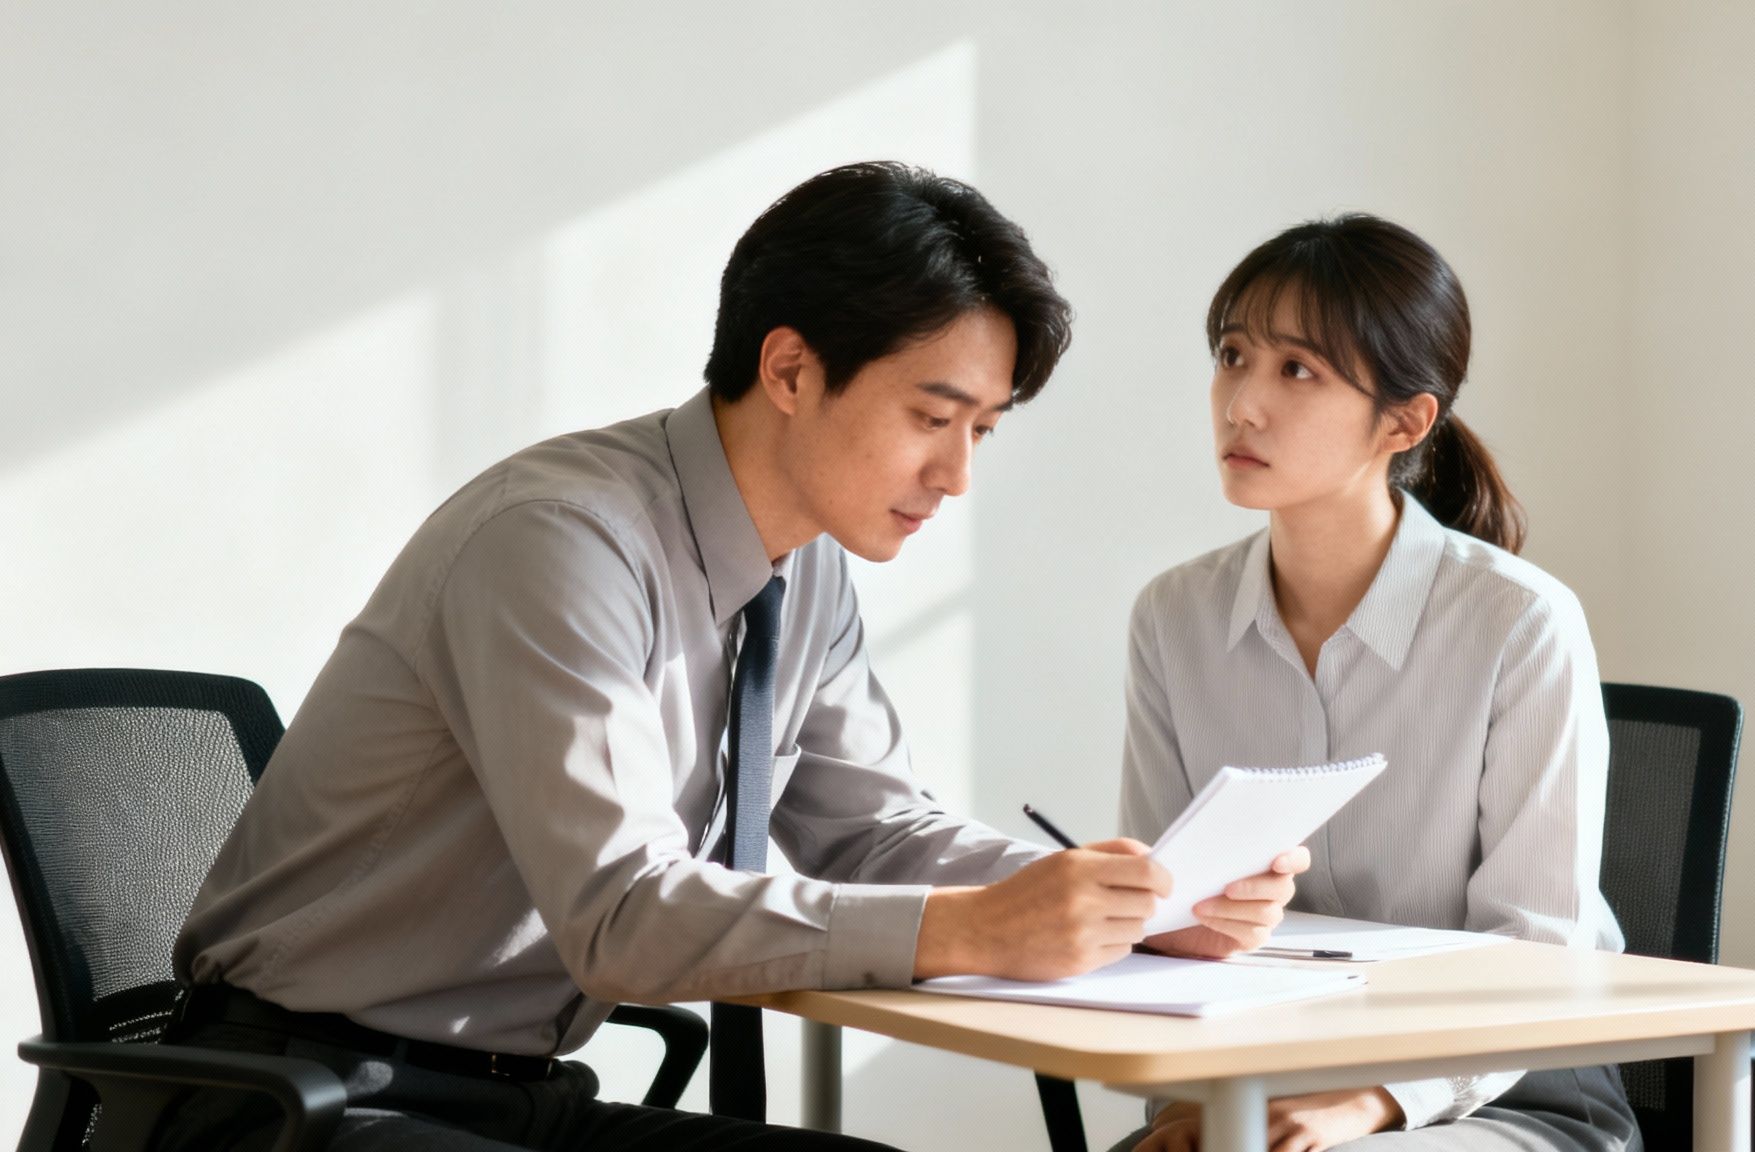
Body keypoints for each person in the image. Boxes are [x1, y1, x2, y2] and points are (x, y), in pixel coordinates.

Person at [157, 162, 1306, 1152]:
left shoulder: (801, 567)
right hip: (301, 1101)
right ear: (793, 371)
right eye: (931, 416)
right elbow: (620, 915)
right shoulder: (557, 545)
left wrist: (1130, 904)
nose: (957, 475)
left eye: (983, 430)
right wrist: (973, 928)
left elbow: (870, 830)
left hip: (510, 1100)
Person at [1113, 215, 1640, 1152]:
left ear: (1404, 421)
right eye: (1233, 356)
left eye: (1297, 371)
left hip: (1503, 1087)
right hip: (1254, 1077)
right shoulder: (1174, 618)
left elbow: (1537, 950)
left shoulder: (1519, 622)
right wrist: (1191, 1103)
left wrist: (1373, 1101)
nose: (1242, 403)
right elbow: (1163, 923)